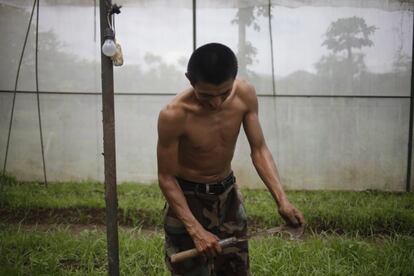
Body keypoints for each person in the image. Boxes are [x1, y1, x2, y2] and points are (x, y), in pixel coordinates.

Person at [157, 43, 304, 276]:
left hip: (228, 198)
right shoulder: (174, 114)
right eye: (206, 95)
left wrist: (282, 200)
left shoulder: (244, 94)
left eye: (224, 93)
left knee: (236, 270)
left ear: (234, 79)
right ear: (190, 79)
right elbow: (166, 177)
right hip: (188, 199)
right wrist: (196, 230)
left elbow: (259, 150)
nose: (216, 103)